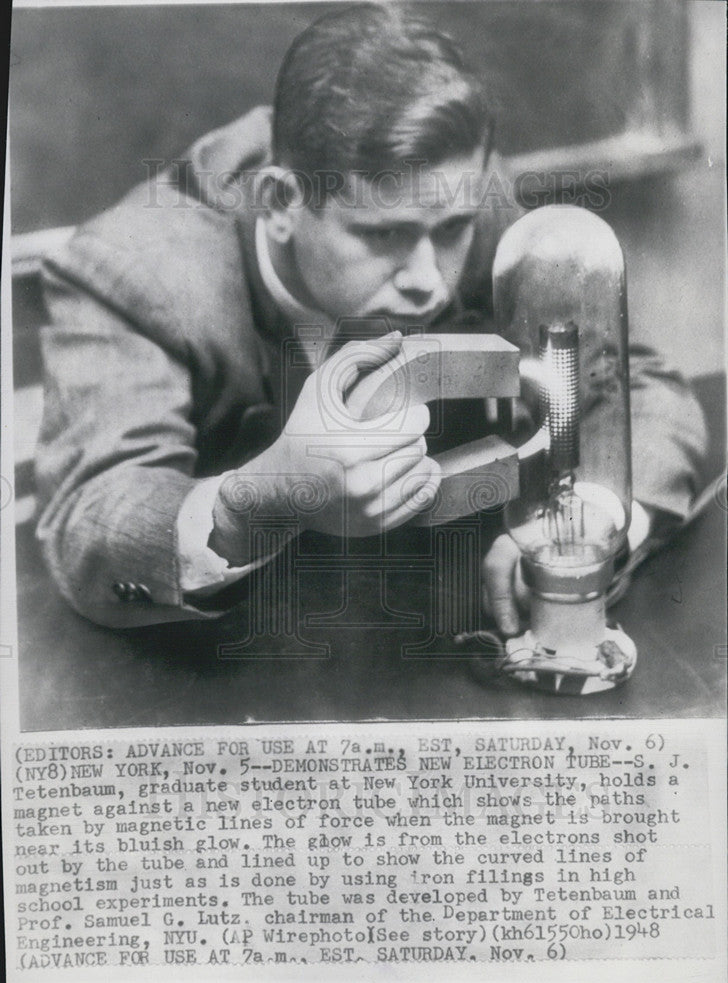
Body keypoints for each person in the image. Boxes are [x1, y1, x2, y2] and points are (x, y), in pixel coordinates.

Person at [35, 2, 707, 631]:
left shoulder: (456, 198)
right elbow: (93, 524)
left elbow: (632, 386)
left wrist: (591, 521)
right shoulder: (131, 271)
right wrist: (259, 502)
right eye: (382, 236)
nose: (427, 281)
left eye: (451, 232)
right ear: (279, 202)